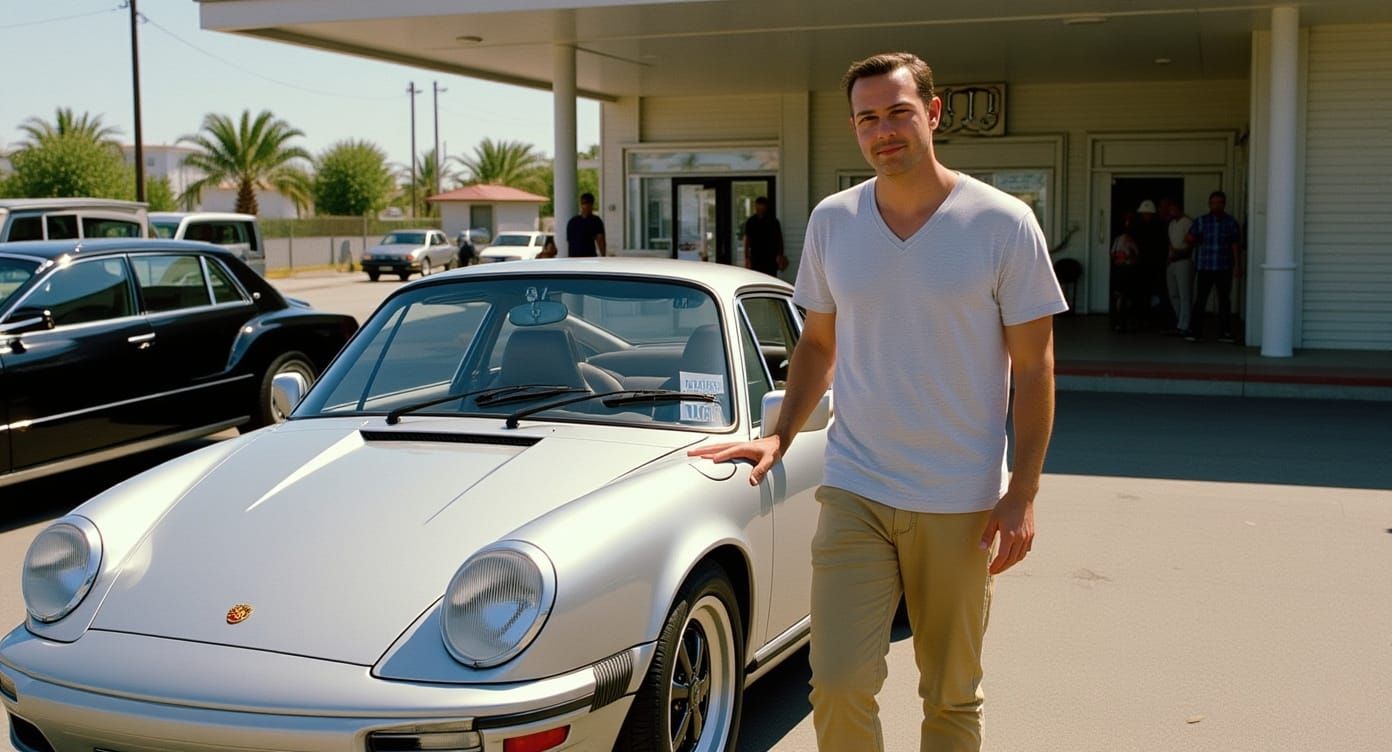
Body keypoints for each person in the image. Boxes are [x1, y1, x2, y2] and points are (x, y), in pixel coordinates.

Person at [689, 52, 1067, 752]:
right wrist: (779, 433)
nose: (883, 130)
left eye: (897, 112)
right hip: (856, 487)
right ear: (855, 129)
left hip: (961, 500)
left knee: (951, 692)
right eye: (868, 118)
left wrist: (1025, 491)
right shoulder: (835, 221)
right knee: (835, 681)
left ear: (932, 112)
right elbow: (817, 346)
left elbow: (1035, 367)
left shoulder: (1002, 223)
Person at [1185, 190, 1242, 343]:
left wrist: (1237, 265)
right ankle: (1194, 332)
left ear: (1224, 204)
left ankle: (1224, 333)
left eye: (1219, 202)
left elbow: (1235, 244)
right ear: (1209, 204)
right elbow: (1189, 237)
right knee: (1201, 300)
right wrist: (1192, 239)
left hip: (1224, 267)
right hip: (1205, 266)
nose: (1216, 205)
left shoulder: (1231, 222)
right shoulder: (1201, 221)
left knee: (1224, 300)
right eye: (1213, 203)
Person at [1131, 199, 1169, 327]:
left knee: (1157, 290)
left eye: (1148, 214)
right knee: (1141, 291)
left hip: (1156, 263)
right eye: (1144, 214)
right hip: (1141, 263)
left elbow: (1163, 245)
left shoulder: (1160, 226)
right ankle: (1141, 317)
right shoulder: (1137, 227)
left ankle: (1158, 318)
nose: (1146, 216)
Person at [1162, 198, 1195, 336]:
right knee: (1173, 294)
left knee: (1184, 295)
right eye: (1169, 209)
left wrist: (1180, 253)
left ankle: (1185, 325)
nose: (1171, 211)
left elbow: (1192, 244)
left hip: (1183, 261)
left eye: (1173, 208)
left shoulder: (1187, 222)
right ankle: (1179, 322)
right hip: (1172, 262)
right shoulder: (1171, 224)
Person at [1110, 213, 1142, 333]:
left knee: (1128, 295)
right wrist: (1119, 257)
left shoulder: (1132, 240)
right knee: (1119, 295)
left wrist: (1129, 257)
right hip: (1121, 270)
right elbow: (1113, 254)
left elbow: (1137, 256)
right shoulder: (1118, 239)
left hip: (1129, 270)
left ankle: (1127, 321)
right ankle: (1119, 321)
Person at [742, 196, 786, 276]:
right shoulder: (751, 222)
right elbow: (747, 240)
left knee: (770, 278)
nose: (760, 210)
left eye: (762, 208)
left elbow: (779, 239)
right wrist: (747, 258)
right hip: (755, 257)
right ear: (755, 207)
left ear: (766, 207)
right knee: (755, 278)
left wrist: (780, 255)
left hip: (770, 257)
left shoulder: (773, 221)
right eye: (758, 208)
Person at [565, 192, 606, 257]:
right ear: (592, 204)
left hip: (574, 259)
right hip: (587, 259)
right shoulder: (595, 221)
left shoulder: (572, 222)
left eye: (586, 203)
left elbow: (569, 242)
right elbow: (600, 241)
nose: (585, 206)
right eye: (584, 203)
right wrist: (604, 256)